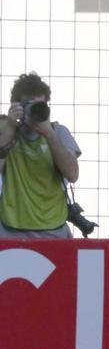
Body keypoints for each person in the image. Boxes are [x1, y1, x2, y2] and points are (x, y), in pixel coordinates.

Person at [0, 72, 82, 239]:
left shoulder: (58, 132)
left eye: (39, 105)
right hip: (11, 227)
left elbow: (72, 174)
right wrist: (9, 128)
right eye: (28, 105)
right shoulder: (5, 129)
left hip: (53, 227)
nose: (33, 111)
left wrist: (49, 135)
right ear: (16, 106)